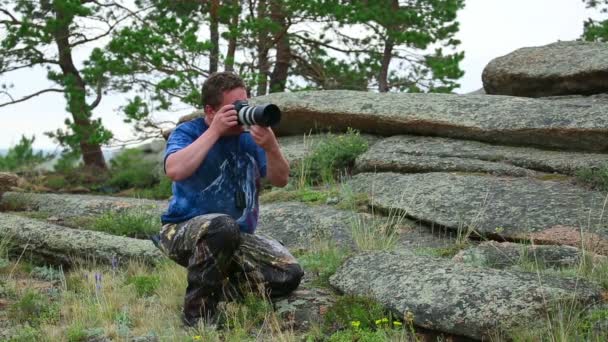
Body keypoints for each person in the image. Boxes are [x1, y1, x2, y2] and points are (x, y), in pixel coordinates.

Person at [156, 72, 303, 326]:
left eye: (244, 105)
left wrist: (271, 146)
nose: (240, 112)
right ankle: (197, 318)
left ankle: (218, 294)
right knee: (222, 226)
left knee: (288, 273)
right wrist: (214, 131)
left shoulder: (249, 138)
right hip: (183, 232)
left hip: (236, 236)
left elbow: (281, 179)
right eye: (233, 108)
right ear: (210, 111)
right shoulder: (188, 132)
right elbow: (175, 170)